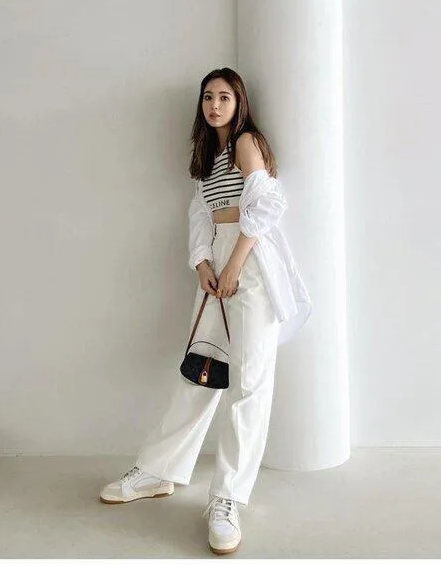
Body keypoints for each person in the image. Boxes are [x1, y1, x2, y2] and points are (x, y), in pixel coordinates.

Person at [99, 67, 312, 555]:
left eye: (224, 97)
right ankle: (158, 471)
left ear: (239, 103)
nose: (214, 105)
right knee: (200, 373)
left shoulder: (246, 143)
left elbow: (267, 206)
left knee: (249, 384)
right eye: (208, 97)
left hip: (249, 263)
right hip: (217, 261)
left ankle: (226, 499)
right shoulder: (209, 155)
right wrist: (202, 263)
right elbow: (201, 212)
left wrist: (234, 264)